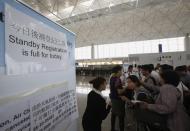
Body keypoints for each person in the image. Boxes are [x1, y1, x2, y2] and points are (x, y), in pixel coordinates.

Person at [109, 65, 126, 131]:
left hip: (113, 98)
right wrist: (126, 87)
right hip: (118, 100)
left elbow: (114, 88)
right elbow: (119, 92)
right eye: (121, 70)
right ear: (118, 71)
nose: (122, 72)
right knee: (121, 116)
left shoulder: (112, 77)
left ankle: (112, 128)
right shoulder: (117, 79)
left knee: (113, 114)